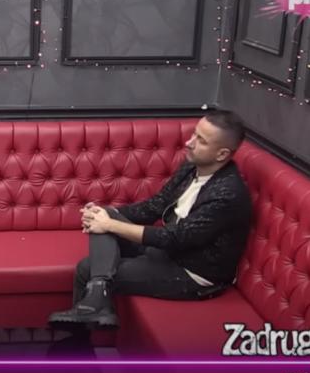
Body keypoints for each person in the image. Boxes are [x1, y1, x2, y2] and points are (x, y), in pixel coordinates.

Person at [48, 110, 252, 332]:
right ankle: (96, 300)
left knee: (87, 268)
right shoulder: (192, 166)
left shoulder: (227, 194)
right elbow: (156, 206)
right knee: (104, 215)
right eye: (194, 134)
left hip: (192, 273)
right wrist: (108, 214)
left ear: (222, 154)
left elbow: (176, 238)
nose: (189, 142)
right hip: (168, 253)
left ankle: (86, 323)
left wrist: (110, 224)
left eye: (201, 141)